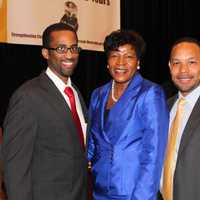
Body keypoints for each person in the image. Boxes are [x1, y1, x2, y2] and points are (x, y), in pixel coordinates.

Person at [1, 23, 88, 200]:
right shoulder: (27, 96)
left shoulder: (75, 93)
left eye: (73, 48)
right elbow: (15, 168)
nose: (69, 55)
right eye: (61, 48)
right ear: (46, 53)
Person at [87, 30, 169, 200]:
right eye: (115, 55)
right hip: (99, 188)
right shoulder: (98, 94)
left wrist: (142, 196)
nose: (120, 63)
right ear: (107, 62)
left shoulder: (150, 94)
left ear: (138, 62)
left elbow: (153, 154)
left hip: (133, 191)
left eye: (129, 56)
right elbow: (93, 140)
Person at [159, 37, 200, 200]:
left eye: (192, 62)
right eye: (176, 63)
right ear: (170, 67)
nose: (183, 70)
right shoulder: (164, 108)